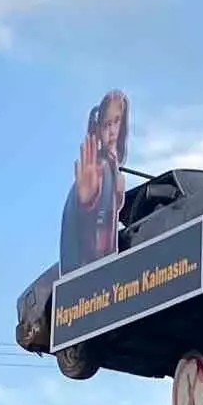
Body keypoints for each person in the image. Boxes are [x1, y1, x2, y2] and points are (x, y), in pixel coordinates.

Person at [59, 89, 130, 275]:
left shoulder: (113, 171)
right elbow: (87, 206)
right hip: (89, 281)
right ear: (98, 130)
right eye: (107, 125)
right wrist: (88, 200)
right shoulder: (99, 169)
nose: (113, 130)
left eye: (116, 122)